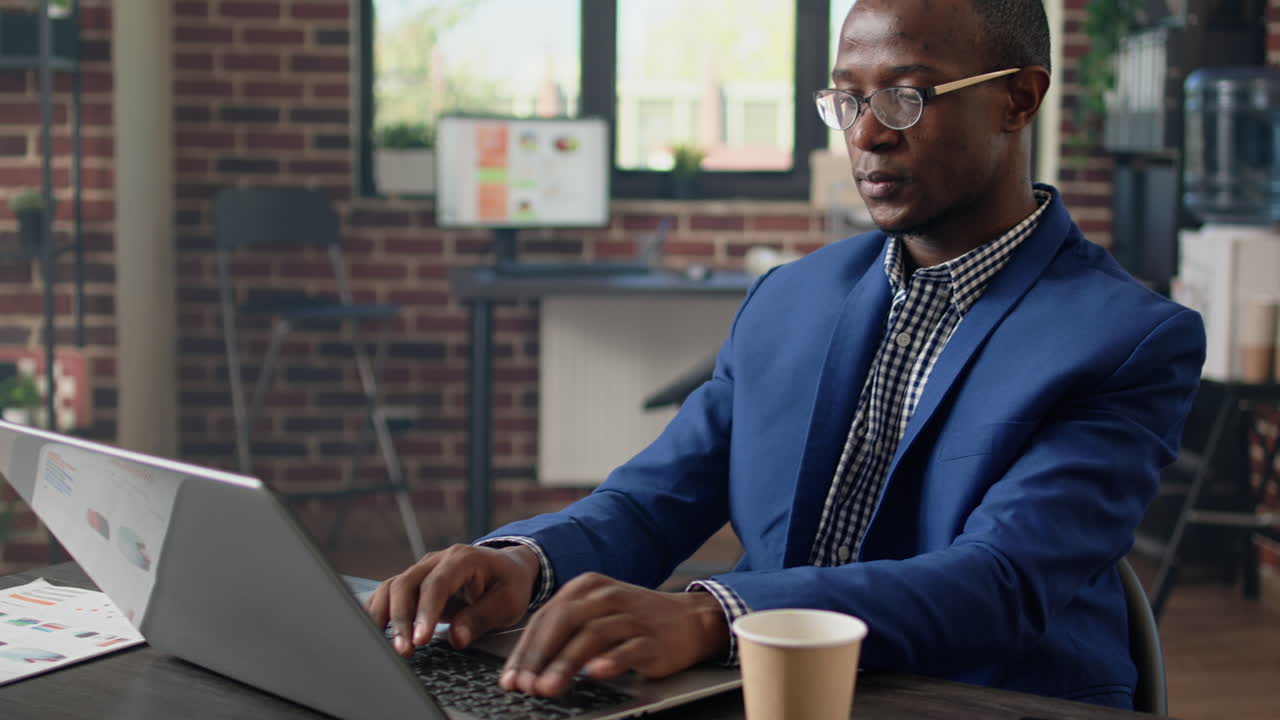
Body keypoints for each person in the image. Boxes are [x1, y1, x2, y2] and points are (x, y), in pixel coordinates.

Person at [367, 0, 1206, 709]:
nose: (867, 134)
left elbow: (999, 584)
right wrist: (525, 561)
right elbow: (655, 500)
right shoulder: (791, 298)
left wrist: (712, 617)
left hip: (974, 698)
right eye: (848, 99)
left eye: (906, 98)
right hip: (769, 694)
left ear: (1019, 100)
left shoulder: (1125, 340)